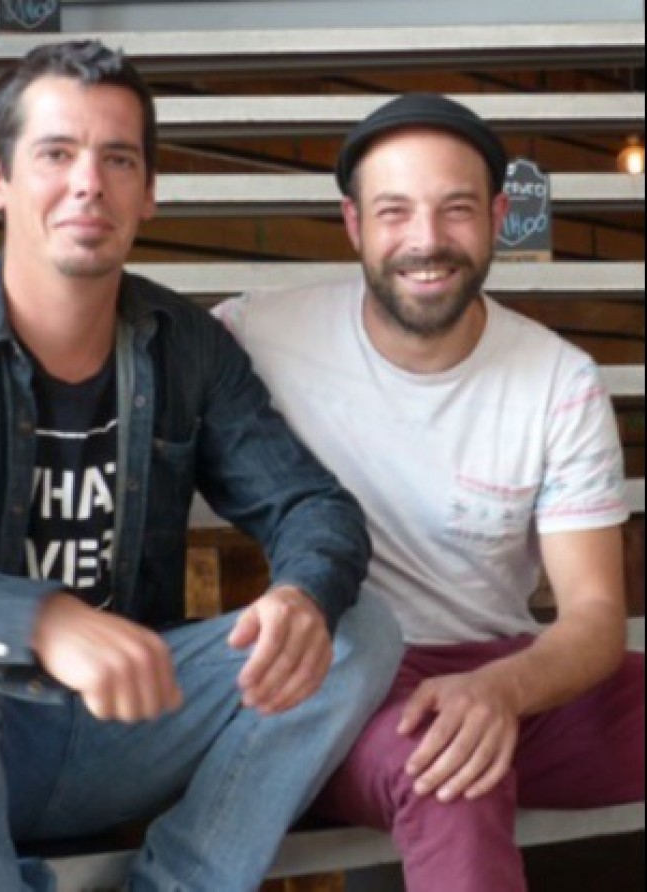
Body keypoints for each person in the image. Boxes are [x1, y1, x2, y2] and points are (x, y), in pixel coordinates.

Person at [0, 41, 404, 892]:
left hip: (121, 721)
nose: (89, 183)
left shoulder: (186, 348)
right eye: (55, 153)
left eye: (118, 158)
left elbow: (310, 505)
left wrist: (301, 593)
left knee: (355, 630)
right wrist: (39, 620)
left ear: (148, 191)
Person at [214, 94, 644, 891]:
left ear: (496, 217)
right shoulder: (257, 334)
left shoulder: (559, 380)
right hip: (345, 684)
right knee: (452, 773)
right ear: (352, 224)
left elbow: (591, 618)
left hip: (510, 678)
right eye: (394, 211)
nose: (425, 240)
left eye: (455, 209)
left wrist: (498, 691)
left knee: (465, 743)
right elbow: (106, 334)